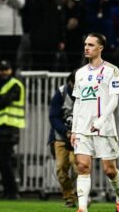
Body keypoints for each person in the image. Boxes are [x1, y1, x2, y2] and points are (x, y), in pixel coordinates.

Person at [71, 33, 119, 212]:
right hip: (82, 128)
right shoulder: (79, 73)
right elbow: (78, 102)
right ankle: (82, 208)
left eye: (91, 45)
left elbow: (114, 99)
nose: (87, 47)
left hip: (104, 128)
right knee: (82, 165)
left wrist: (101, 120)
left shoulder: (112, 70)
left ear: (100, 48)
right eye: (85, 44)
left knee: (109, 170)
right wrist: (74, 130)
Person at [0, 60, 26, 200]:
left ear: (11, 70)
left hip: (11, 127)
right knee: (2, 162)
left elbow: (1, 103)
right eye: (1, 69)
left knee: (7, 161)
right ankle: (8, 191)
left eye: (6, 69)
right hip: (1, 127)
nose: (4, 72)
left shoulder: (15, 84)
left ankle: (13, 192)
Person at [48, 71, 77, 208]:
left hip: (80, 136)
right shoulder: (61, 93)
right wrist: (66, 132)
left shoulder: (89, 93)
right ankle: (69, 197)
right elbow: (53, 117)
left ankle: (81, 194)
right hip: (61, 136)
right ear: (70, 82)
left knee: (79, 166)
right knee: (61, 169)